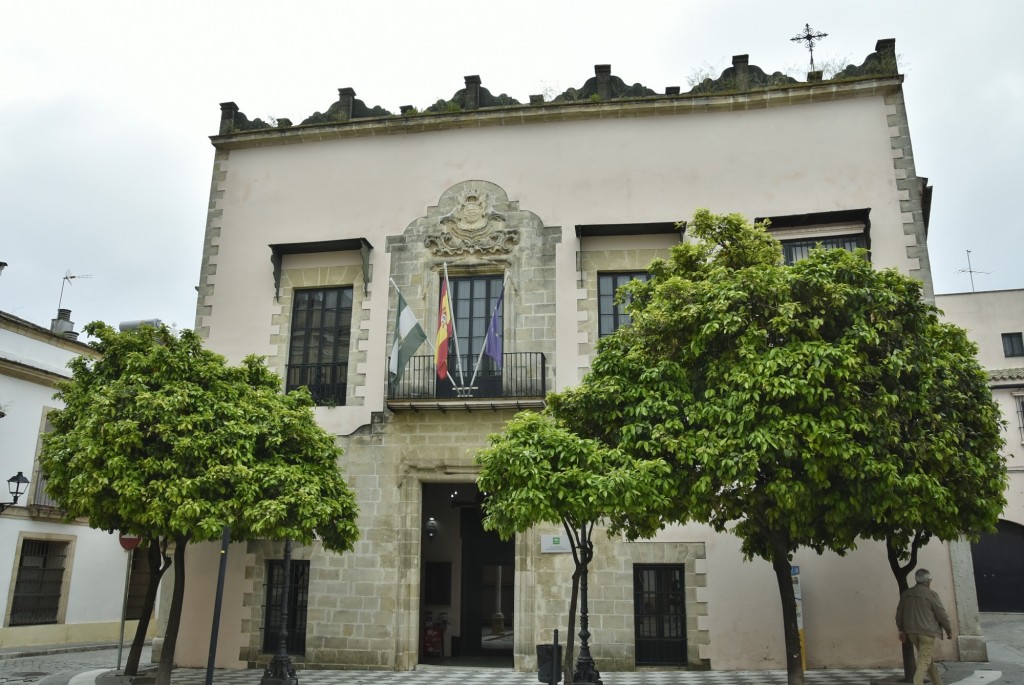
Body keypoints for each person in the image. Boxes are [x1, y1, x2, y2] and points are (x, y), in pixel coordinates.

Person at [895, 568, 953, 685]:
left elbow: (899, 613)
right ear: (928, 581)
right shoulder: (931, 594)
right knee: (924, 660)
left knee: (927, 658)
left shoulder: (906, 594)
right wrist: (948, 630)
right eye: (930, 580)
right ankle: (917, 682)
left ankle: (938, 683)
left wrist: (901, 629)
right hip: (927, 632)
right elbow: (941, 614)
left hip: (912, 632)